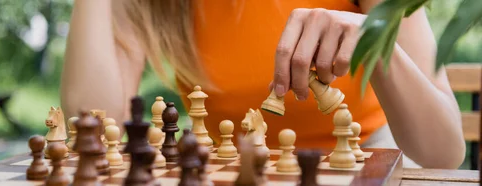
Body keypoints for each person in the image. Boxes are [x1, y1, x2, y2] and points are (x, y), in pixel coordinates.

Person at [60, 0, 464, 169]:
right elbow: (97, 131)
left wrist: (376, 42)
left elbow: (442, 151)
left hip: (366, 159)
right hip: (230, 168)